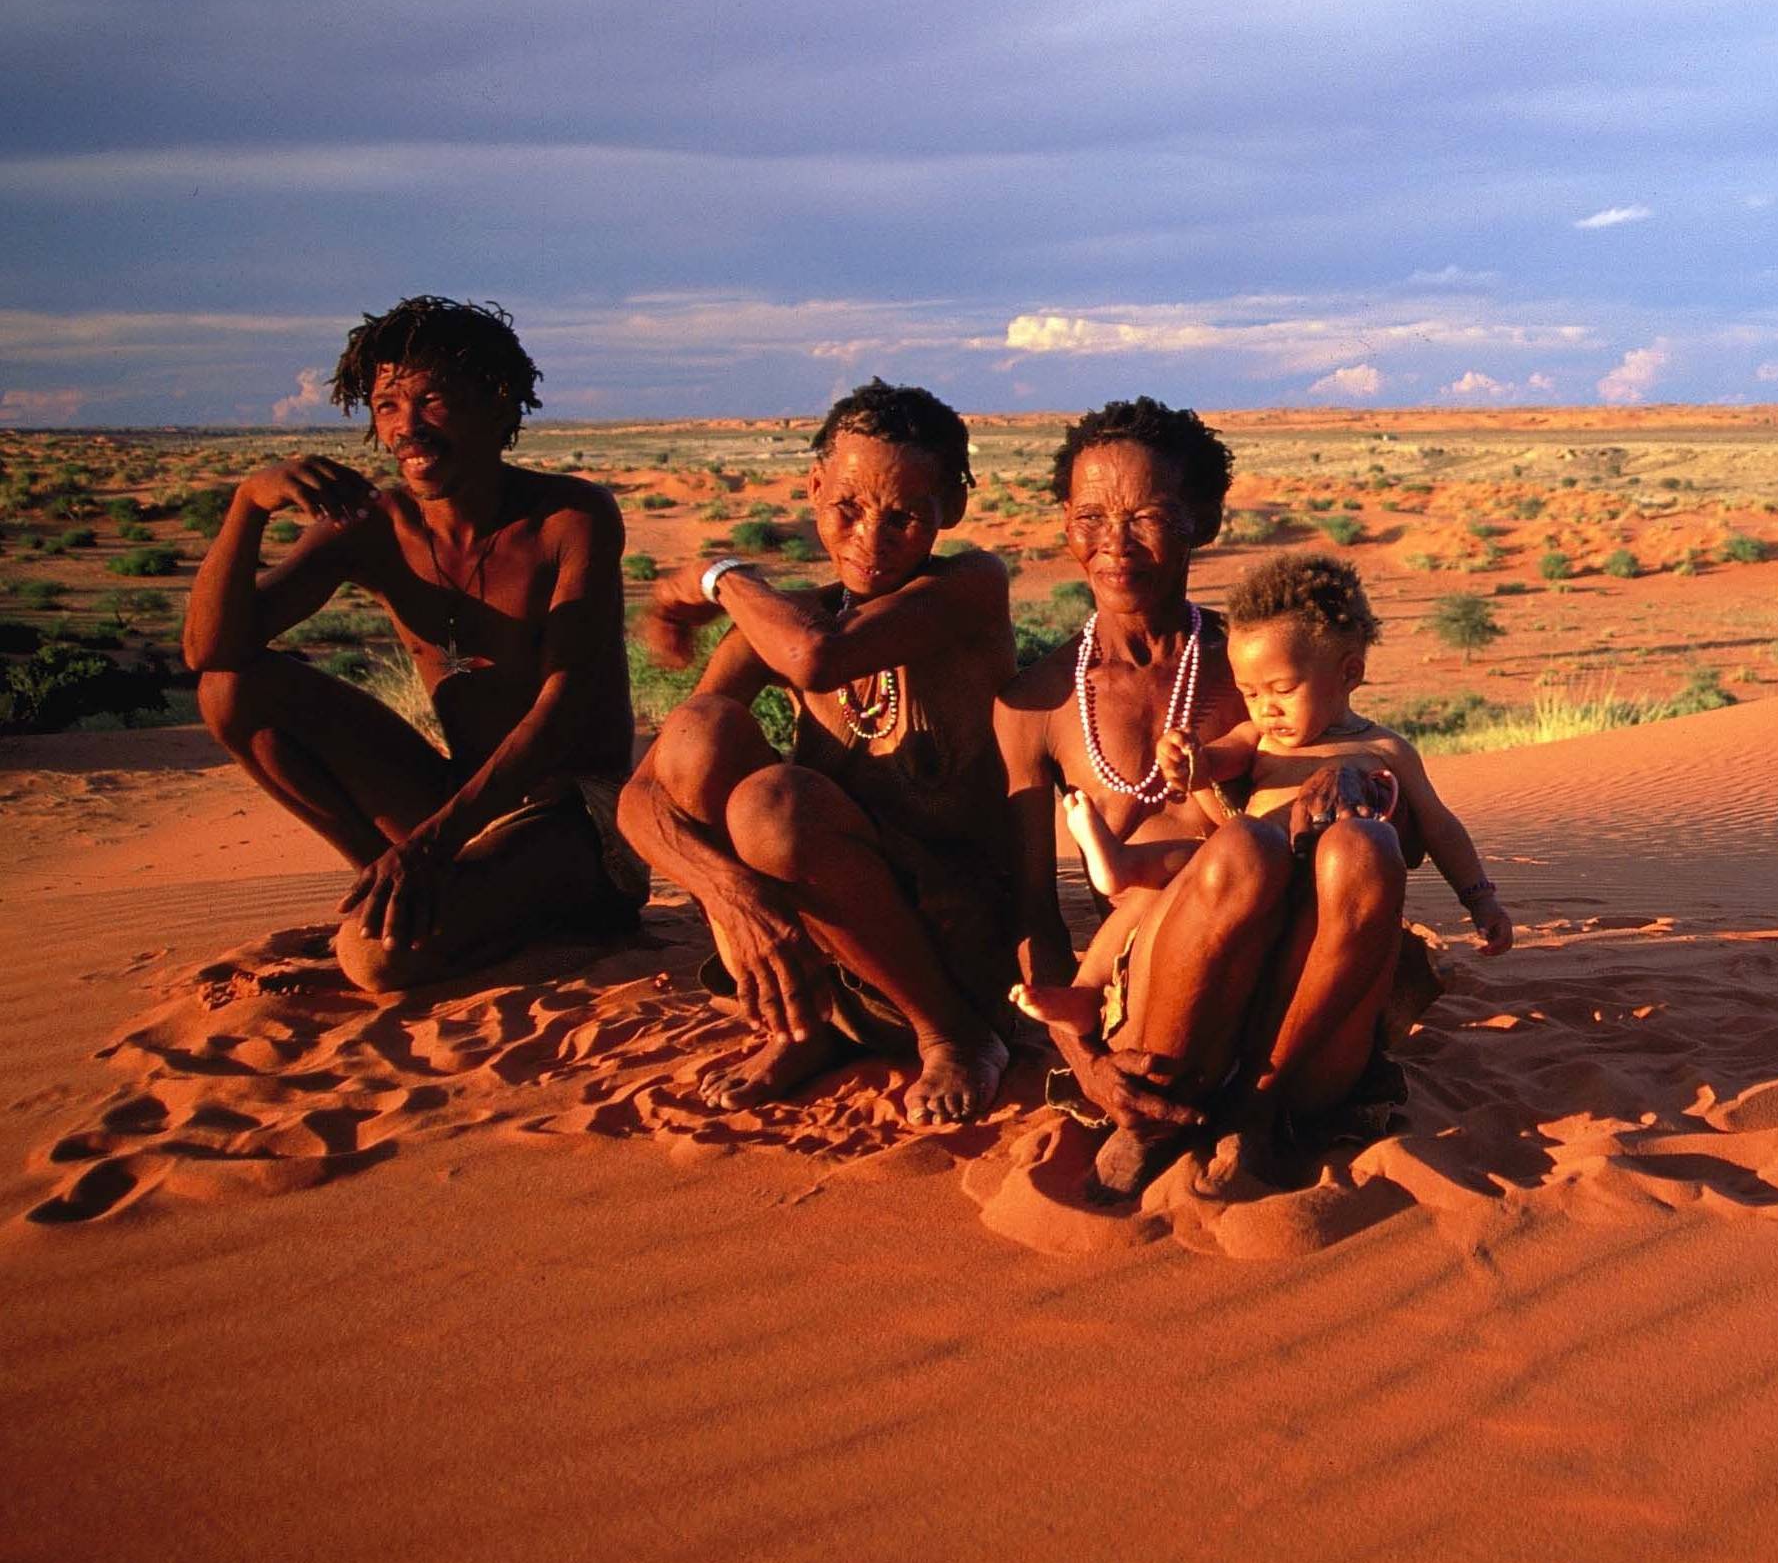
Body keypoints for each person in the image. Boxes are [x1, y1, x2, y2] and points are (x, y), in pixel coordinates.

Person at [993, 398, 1420, 1198]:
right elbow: (1029, 913)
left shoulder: (1267, 664)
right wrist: (1085, 1065)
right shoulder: (1035, 704)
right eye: (1091, 517)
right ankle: (1159, 1118)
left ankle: (1257, 1108)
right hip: (1161, 1017)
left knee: (1364, 846)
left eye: (1148, 516)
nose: (1115, 543)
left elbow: (1402, 817)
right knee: (1243, 850)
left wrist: (1352, 772)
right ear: (1064, 525)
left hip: (1299, 1006)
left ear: (1205, 520)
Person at [184, 297, 646, 991]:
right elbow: (209, 653)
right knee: (231, 691)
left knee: (377, 961)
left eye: (431, 400)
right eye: (387, 406)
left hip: (576, 816)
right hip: (461, 801)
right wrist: (247, 506)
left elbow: (564, 708)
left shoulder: (570, 517)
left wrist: (431, 844)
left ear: (497, 404)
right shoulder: (375, 525)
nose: (407, 428)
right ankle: (387, 890)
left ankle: (506, 922)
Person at [619, 380, 1016, 1126]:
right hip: (820, 956)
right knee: (700, 728)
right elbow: (642, 798)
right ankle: (805, 1029)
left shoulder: (969, 588)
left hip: (960, 948)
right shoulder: (793, 621)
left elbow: (817, 658)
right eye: (847, 507)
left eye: (904, 515)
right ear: (812, 489)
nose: (871, 537)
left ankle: (956, 1037)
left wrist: (720, 578)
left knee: (775, 807)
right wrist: (730, 895)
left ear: (952, 509)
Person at [1049, 550, 1513, 964]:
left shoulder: (1387, 749)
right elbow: (1218, 760)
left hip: (1331, 891)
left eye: (1283, 689)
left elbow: (1439, 825)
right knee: (1171, 880)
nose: (1266, 708)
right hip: (1252, 874)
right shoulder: (1259, 737)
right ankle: (1112, 898)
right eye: (1250, 693)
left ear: (1349, 673)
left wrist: (1479, 899)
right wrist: (1187, 759)